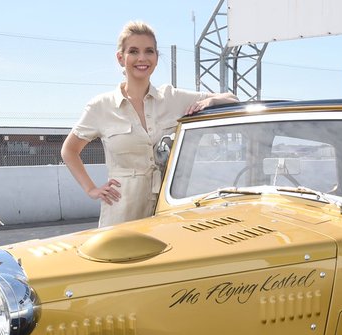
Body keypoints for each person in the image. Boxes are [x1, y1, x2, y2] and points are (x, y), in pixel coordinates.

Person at [61, 21, 237, 227]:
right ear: (121, 58)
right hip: (122, 210)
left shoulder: (172, 98)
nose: (142, 58)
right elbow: (69, 151)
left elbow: (232, 98)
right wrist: (91, 189)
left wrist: (210, 101)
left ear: (156, 57)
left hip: (167, 209)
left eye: (149, 51)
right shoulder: (100, 106)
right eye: (133, 51)